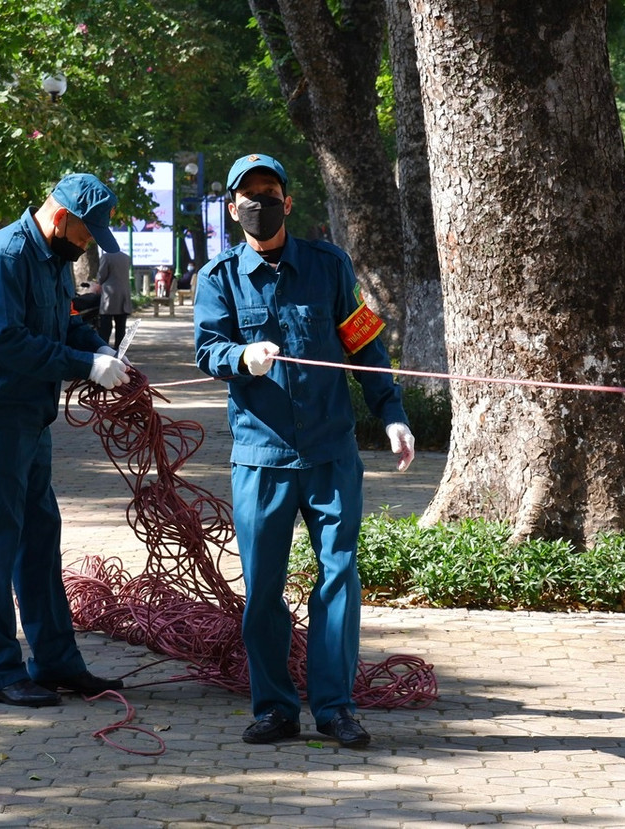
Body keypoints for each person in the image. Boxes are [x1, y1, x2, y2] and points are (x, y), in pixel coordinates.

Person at [194, 153, 416, 748]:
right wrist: (240, 357)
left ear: (287, 202)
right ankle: (273, 708)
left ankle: (335, 706)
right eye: (248, 195)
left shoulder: (330, 265)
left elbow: (364, 344)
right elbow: (207, 350)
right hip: (260, 458)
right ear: (233, 206)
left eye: (269, 193)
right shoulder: (218, 277)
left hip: (329, 454)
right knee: (263, 587)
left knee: (339, 576)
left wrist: (391, 414)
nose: (258, 204)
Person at [0, 173, 131, 707]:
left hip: (31, 420)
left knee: (40, 541)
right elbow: (8, 342)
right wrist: (84, 366)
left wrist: (101, 352)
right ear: (61, 217)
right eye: (85, 234)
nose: (88, 245)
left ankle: (55, 663)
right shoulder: (3, 256)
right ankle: (1, 672)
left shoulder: (53, 261)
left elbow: (65, 324)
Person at [96, 249, 133, 348]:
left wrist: (97, 283)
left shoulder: (106, 257)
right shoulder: (126, 257)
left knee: (105, 325)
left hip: (110, 295)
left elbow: (102, 275)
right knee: (121, 325)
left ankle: (104, 346)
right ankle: (119, 348)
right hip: (123, 294)